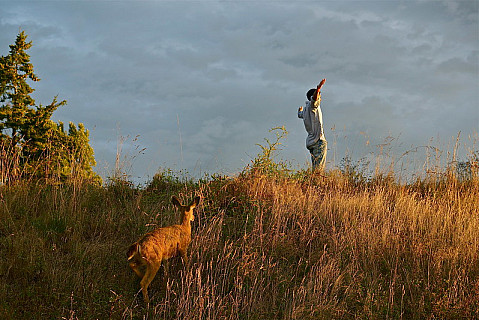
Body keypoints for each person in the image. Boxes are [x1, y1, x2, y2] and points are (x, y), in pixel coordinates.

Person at [298, 79, 327, 171]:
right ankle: (316, 184)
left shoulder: (306, 110)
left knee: (315, 168)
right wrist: (318, 88)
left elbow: (300, 115)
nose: (320, 98)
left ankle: (312, 183)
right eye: (319, 96)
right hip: (318, 141)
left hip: (311, 142)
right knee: (318, 170)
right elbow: (314, 100)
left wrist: (299, 110)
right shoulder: (313, 106)